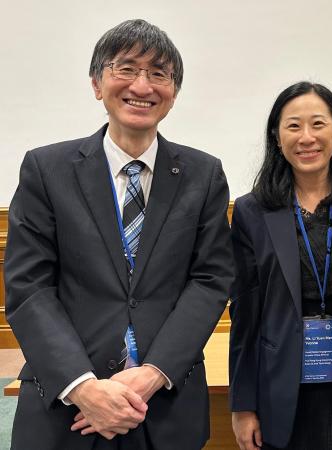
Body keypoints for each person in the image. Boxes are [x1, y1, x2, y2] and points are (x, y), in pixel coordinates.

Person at [4, 19, 233, 450]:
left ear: (173, 93)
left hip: (165, 405)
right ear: (97, 83)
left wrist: (152, 375)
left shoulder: (203, 175)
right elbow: (29, 287)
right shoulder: (46, 169)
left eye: (159, 74)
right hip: (66, 408)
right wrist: (84, 388)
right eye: (125, 69)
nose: (142, 86)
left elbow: (210, 280)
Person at [228, 81, 332, 450]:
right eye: (293, 126)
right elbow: (245, 314)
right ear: (276, 136)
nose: (307, 137)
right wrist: (243, 405)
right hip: (281, 389)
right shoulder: (252, 212)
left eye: (318, 124)